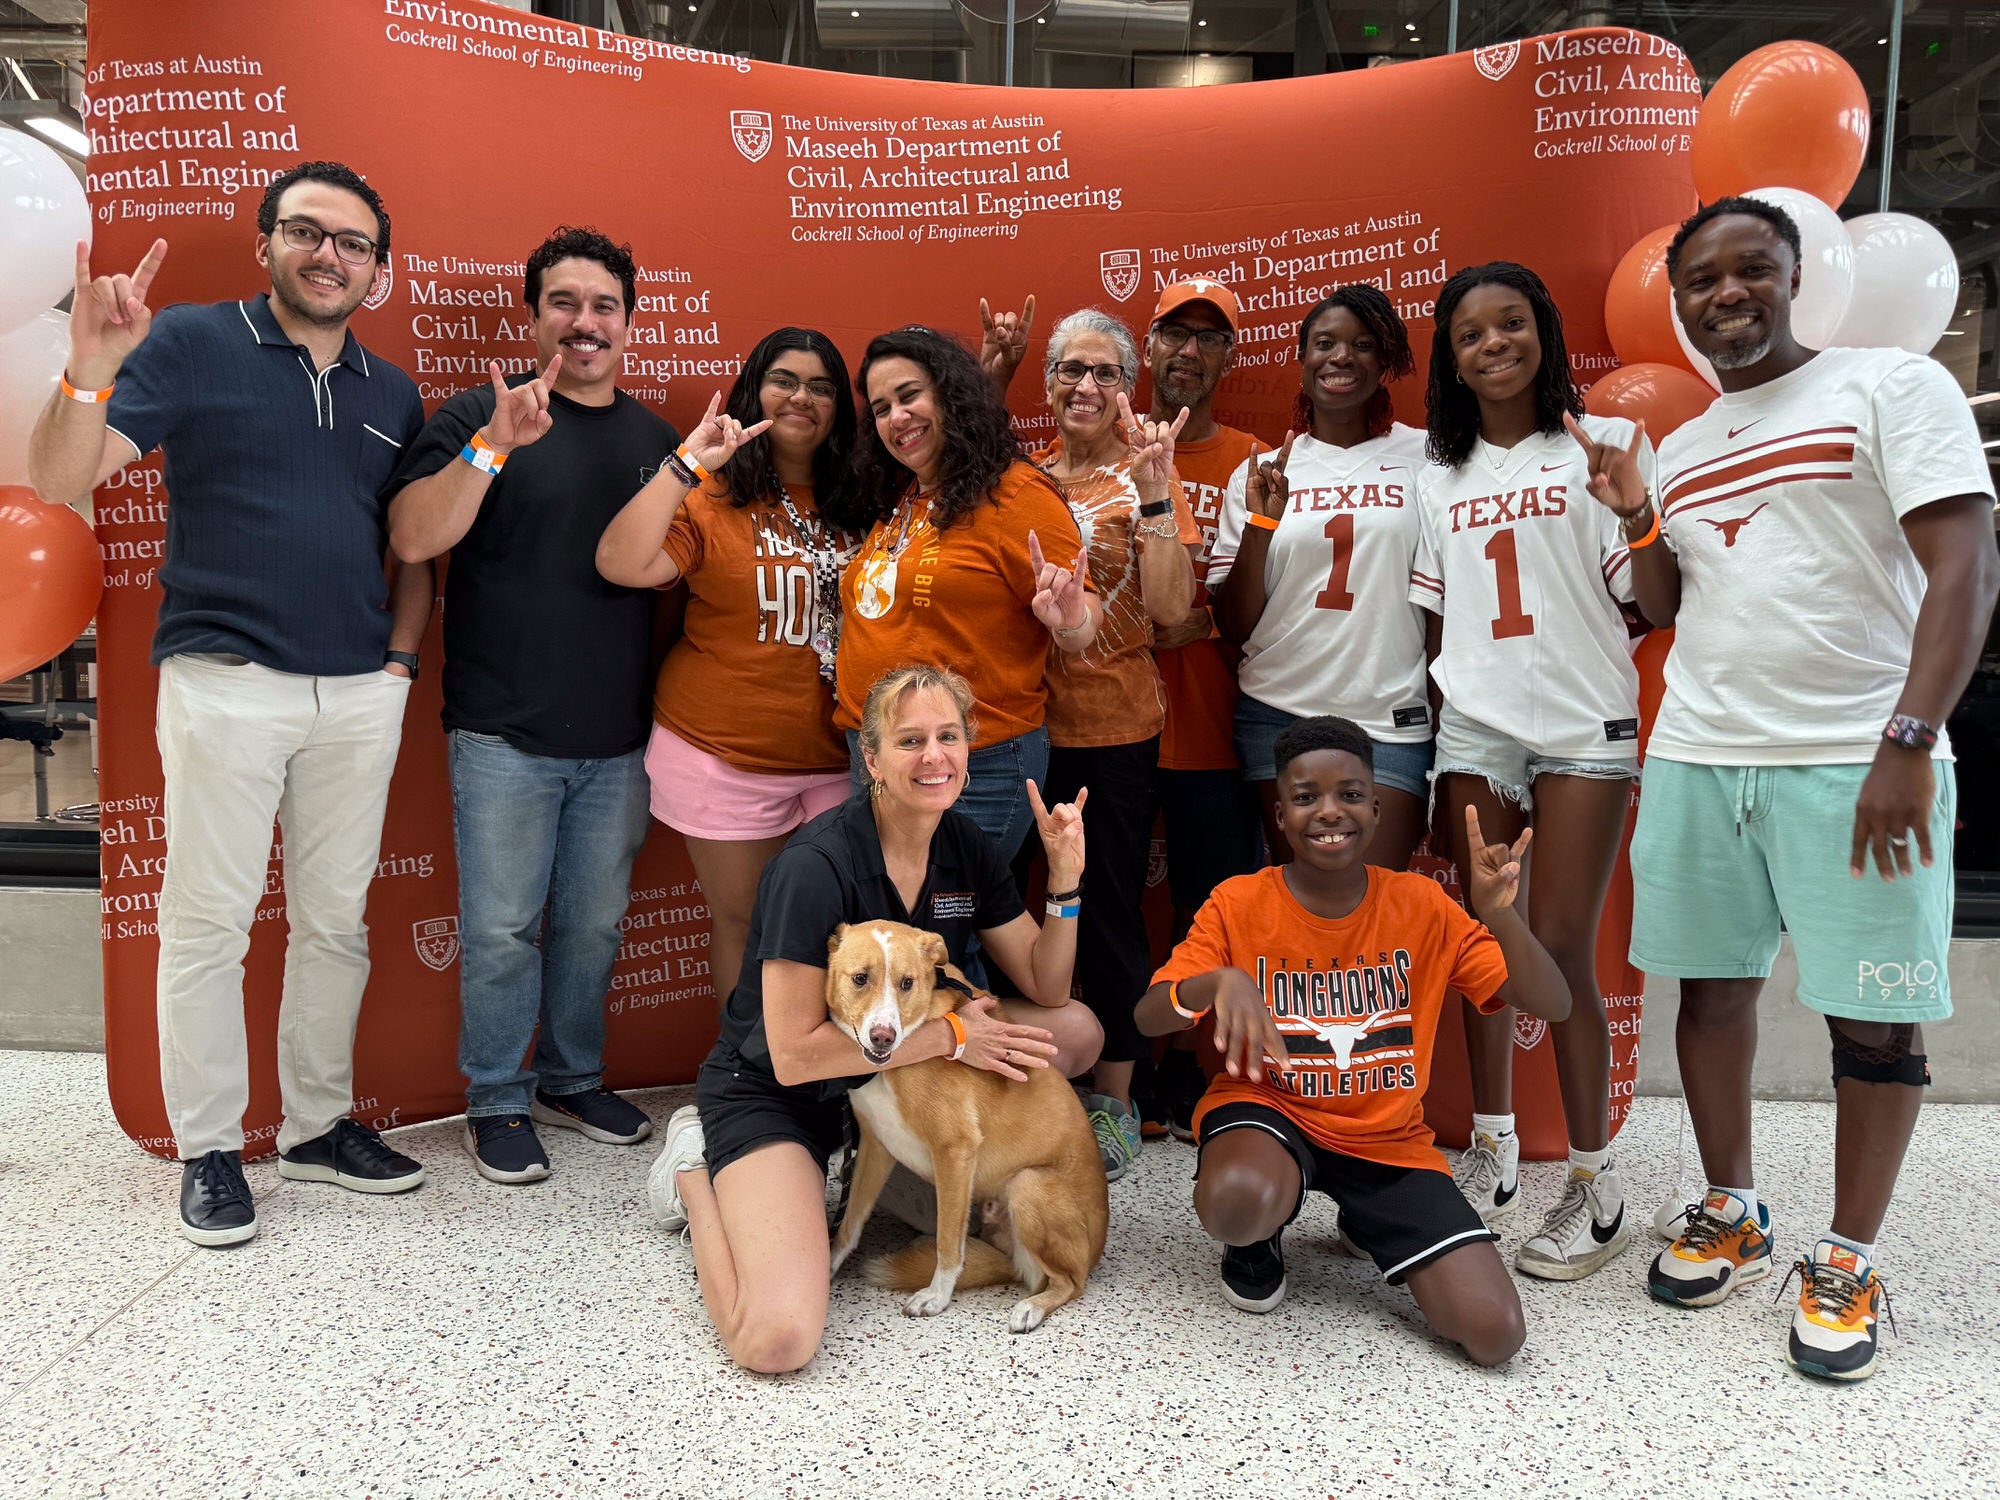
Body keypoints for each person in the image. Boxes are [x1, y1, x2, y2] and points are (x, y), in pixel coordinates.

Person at [1611, 197, 1998, 1381]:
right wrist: (1633, 512)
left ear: (1792, 279)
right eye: (1701, 281)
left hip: (1852, 756)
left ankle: (1847, 1257)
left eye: (1750, 271)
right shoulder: (1681, 446)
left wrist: (1905, 742)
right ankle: (1732, 1203)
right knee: (1711, 996)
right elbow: (1669, 607)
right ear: (1676, 302)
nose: (1725, 294)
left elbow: (1965, 569)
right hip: (1699, 754)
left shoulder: (1889, 387)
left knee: (1873, 1020)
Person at [27, 161, 431, 1245]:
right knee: (206, 925)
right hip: (225, 681)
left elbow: (408, 547)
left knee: (335, 923)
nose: (327, 254)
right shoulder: (194, 342)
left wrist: (394, 671)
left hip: (356, 693)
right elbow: (63, 480)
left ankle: (315, 1126)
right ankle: (210, 1149)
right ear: (267, 244)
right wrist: (87, 372)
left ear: (376, 270)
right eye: (306, 231)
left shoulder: (392, 393)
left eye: (351, 242)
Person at [646, 665, 1104, 1374]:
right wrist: (953, 1034)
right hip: (783, 1091)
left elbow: (1047, 983)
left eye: (949, 736)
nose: (934, 756)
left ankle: (883, 1163)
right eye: (910, 739)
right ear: (871, 759)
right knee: (777, 1341)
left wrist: (1065, 877)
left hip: (893, 1088)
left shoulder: (965, 845)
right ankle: (694, 1174)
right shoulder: (816, 865)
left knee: (1073, 1030)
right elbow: (793, 1054)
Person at [385, 226, 681, 1186]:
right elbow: (415, 535)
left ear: (629, 324)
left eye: (604, 306)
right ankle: (498, 1099)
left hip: (620, 742)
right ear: (534, 314)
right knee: (504, 927)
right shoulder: (480, 412)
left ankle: (573, 1076)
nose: (584, 323)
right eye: (565, 302)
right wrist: (493, 446)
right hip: (502, 735)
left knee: (594, 926)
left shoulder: (656, 443)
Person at [1136, 717, 1571, 1365]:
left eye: (1348, 793)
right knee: (1238, 1203)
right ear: (1280, 815)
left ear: (1375, 806)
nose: (1328, 811)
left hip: (1386, 1140)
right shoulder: (1240, 902)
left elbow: (1554, 1003)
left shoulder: (1421, 904)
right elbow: (1148, 1016)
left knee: (1496, 1334)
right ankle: (1257, 1240)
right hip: (1269, 1112)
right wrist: (1213, 985)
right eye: (1306, 797)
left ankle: (1367, 1216)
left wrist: (1499, 914)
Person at [1408, 261, 1653, 1280]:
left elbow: (1655, 597)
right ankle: (1494, 1151)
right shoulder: (1437, 472)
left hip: (1580, 720)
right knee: (1481, 946)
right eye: (1470, 332)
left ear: (1542, 334)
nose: (1492, 343)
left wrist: (1635, 513)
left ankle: (1595, 1189)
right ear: (1451, 360)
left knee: (1556, 945)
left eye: (1511, 323)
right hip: (1474, 724)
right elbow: (1431, 614)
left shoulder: (1605, 444)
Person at [596, 328, 867, 1003]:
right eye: (784, 380)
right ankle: (750, 1089)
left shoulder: (868, 500)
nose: (802, 396)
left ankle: (823, 1087)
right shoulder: (710, 496)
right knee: (746, 926)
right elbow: (621, 563)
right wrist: (686, 463)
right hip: (724, 754)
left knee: (843, 935)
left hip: (845, 756)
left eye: (822, 386)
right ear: (754, 391)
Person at [1026, 306, 1198, 1181]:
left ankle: (1117, 1104)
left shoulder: (1145, 480)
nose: (1085, 387)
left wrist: (1160, 491)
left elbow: (1170, 610)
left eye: (1103, 373)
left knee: (1110, 917)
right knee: (1019, 915)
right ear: (1048, 381)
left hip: (1115, 730)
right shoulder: (1023, 477)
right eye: (1069, 370)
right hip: (1020, 730)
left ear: (1125, 387)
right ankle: (1030, 1085)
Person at [834, 325, 1102, 862]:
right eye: (882, 407)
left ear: (951, 395)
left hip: (974, 764)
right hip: (881, 757)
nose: (897, 418)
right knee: (906, 933)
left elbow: (1084, 619)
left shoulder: (1017, 494)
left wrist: (1069, 616)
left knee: (945, 936)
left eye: (910, 396)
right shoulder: (907, 495)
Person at [1210, 286, 1432, 874]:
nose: (1341, 357)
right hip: (1279, 710)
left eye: (1362, 345)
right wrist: (1261, 521)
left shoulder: (1427, 458)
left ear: (1385, 364)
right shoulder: (1262, 470)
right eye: (1325, 343)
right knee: (1305, 909)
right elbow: (1232, 624)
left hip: (1389, 714)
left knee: (1380, 908)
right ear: (1303, 358)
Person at [1139, 279, 1268, 1143]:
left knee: (1209, 912)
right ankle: (1112, 1075)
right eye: (1174, 334)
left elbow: (1278, 594)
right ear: (1147, 347)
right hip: (1104, 726)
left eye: (1208, 338)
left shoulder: (1256, 461)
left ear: (1228, 356)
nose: (1189, 352)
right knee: (1100, 904)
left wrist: (1205, 612)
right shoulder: (1097, 448)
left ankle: (1198, 1078)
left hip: (1216, 726)